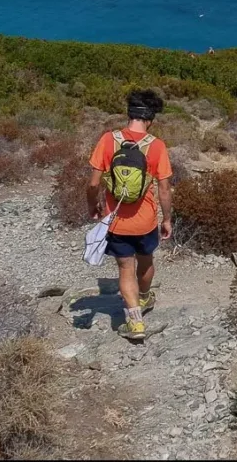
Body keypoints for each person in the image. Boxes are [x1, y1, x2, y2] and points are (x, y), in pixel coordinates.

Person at [87, 89, 174, 340]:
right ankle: (145, 297)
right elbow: (165, 189)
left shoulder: (108, 140)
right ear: (150, 118)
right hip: (145, 220)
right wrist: (166, 219)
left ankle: (135, 324)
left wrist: (92, 206)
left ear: (129, 114)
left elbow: (93, 185)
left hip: (116, 221)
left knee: (126, 269)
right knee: (145, 261)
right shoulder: (156, 146)